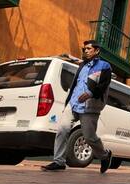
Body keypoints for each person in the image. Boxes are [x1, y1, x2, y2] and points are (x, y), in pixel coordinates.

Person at [41, 40, 112, 173]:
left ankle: (105, 155)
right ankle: (59, 161)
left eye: (88, 48)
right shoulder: (82, 65)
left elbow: (104, 84)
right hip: (73, 103)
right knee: (62, 129)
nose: (85, 50)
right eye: (84, 48)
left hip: (90, 106)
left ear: (96, 51)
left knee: (89, 137)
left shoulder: (104, 66)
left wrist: (90, 93)